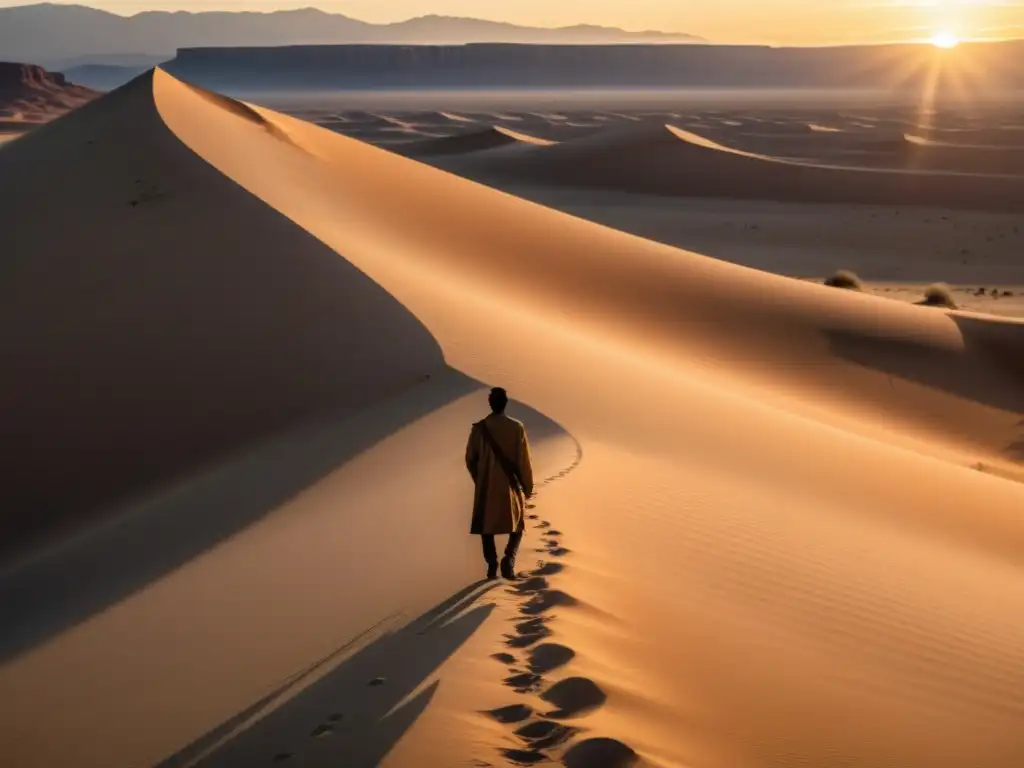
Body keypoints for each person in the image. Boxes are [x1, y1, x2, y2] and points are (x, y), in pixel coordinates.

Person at [465, 387, 535, 581]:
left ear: (490, 403)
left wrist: (480, 479)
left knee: (486, 528)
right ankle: (509, 559)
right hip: (509, 488)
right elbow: (523, 461)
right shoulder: (516, 427)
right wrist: (527, 487)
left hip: (486, 489)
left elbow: (470, 459)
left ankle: (492, 564)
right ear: (505, 403)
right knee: (518, 525)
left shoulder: (479, 429)